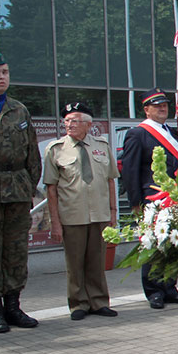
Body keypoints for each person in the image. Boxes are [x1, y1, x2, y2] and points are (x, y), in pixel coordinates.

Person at [0, 52, 41, 333]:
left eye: (5, 72)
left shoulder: (19, 109)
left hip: (17, 189)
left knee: (16, 250)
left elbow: (32, 154)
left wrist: (28, 186)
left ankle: (14, 307)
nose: (2, 77)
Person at [43, 103, 119, 320]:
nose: (69, 125)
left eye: (74, 121)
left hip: (100, 214)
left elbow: (110, 181)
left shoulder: (102, 145)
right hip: (72, 215)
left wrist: (113, 212)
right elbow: (51, 188)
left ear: (88, 124)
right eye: (66, 121)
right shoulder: (56, 149)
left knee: (97, 261)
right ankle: (78, 304)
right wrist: (55, 222)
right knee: (75, 264)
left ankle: (99, 302)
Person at [120, 88, 178, 310]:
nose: (162, 108)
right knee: (153, 245)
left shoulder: (172, 132)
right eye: (157, 105)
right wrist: (135, 202)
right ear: (146, 109)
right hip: (152, 198)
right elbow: (130, 170)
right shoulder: (138, 134)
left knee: (173, 242)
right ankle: (154, 291)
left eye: (164, 105)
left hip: (175, 197)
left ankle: (170, 288)